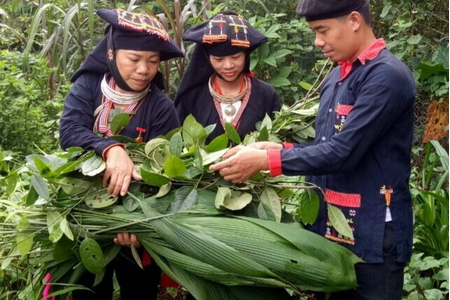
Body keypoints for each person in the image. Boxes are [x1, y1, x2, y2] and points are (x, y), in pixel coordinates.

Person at [210, 0, 416, 299]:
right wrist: (283, 147)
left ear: (355, 20)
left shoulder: (386, 76)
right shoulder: (337, 76)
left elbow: (342, 153)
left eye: (323, 30)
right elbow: (327, 145)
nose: (318, 42)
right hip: (331, 225)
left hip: (372, 233)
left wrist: (267, 160)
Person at [59, 8, 184, 300]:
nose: (144, 69)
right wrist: (109, 148)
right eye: (134, 59)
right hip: (88, 220)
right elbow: (70, 132)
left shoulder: (161, 106)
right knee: (88, 291)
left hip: (139, 227)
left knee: (138, 291)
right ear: (112, 54)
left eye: (153, 62)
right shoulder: (88, 86)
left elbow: (166, 171)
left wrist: (133, 222)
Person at [174, 11, 281, 143]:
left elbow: (277, 140)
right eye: (219, 59)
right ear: (208, 58)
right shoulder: (192, 97)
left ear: (246, 55)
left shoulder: (265, 94)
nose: (228, 65)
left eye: (236, 57)